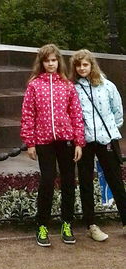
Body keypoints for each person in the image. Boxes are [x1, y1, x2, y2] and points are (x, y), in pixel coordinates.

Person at [20, 43, 85, 247]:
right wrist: (30, 142)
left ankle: (67, 223)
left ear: (59, 62)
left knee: (68, 182)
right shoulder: (34, 85)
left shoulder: (67, 85)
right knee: (47, 181)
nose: (51, 64)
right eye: (47, 61)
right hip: (44, 141)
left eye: (54, 60)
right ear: (42, 63)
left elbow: (76, 115)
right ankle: (42, 225)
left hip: (66, 140)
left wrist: (78, 142)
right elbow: (28, 114)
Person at [70, 49, 126, 241]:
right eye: (78, 65)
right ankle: (91, 225)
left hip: (106, 139)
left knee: (116, 180)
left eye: (85, 64)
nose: (82, 68)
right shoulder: (73, 88)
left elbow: (117, 112)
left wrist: (108, 129)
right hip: (84, 140)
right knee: (86, 182)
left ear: (92, 65)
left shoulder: (107, 85)